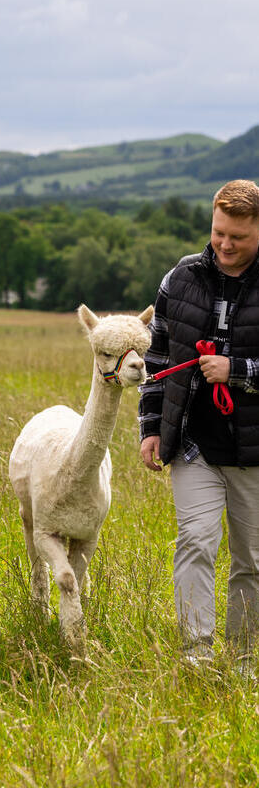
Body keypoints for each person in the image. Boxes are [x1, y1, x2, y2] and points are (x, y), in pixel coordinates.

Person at [139, 179, 259, 671]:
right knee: (196, 540)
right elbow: (157, 358)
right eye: (218, 233)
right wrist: (150, 427)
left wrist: (239, 371)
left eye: (238, 237)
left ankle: (245, 659)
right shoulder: (181, 279)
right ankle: (196, 655)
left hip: (254, 449)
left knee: (251, 560)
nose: (226, 245)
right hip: (193, 444)